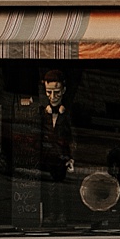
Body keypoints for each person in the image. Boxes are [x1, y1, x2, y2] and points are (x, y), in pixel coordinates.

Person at [37, 70, 75, 226]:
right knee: (48, 189)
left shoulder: (67, 114)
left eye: (56, 93)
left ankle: (61, 215)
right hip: (46, 158)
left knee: (60, 189)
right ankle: (50, 214)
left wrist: (71, 157)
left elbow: (73, 137)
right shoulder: (42, 113)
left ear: (64, 91)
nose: (53, 97)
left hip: (61, 158)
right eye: (49, 92)